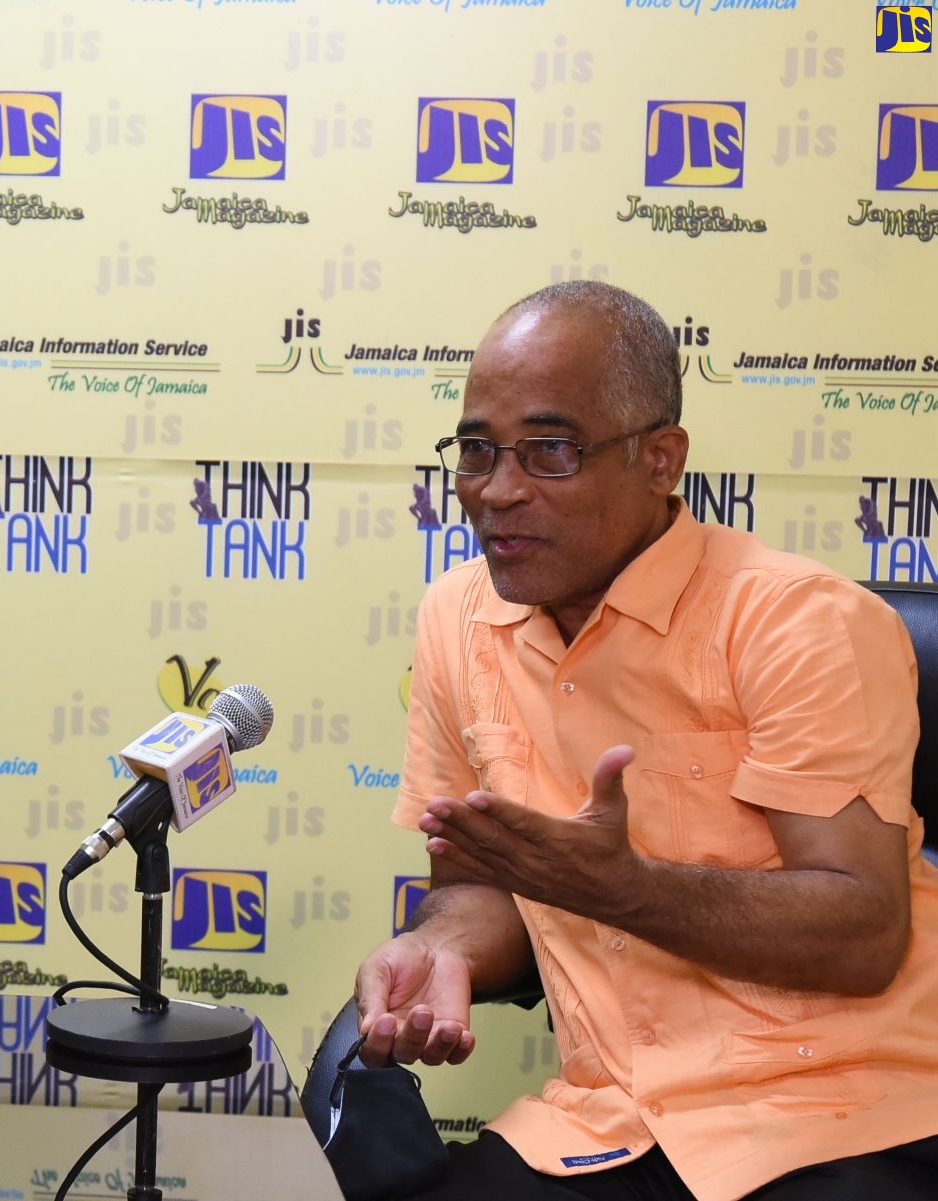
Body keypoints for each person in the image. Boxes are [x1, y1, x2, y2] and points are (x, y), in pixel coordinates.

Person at [354, 281, 938, 1201]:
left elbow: (863, 931)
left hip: (841, 1111)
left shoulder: (801, 621)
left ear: (660, 459)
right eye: (476, 450)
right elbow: (478, 881)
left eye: (550, 450)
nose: (497, 491)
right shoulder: (455, 618)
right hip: (605, 1120)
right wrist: (445, 953)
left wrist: (623, 889)